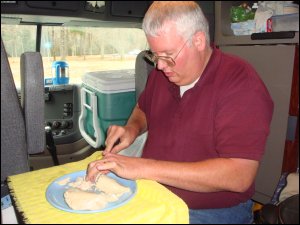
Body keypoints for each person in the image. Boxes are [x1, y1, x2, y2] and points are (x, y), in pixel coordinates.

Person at [86, 1, 274, 224]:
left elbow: (239, 175)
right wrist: (132, 129)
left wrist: (143, 168)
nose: (159, 66)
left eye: (167, 54)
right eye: (154, 55)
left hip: (212, 212)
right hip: (153, 193)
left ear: (198, 41)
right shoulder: (163, 73)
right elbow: (143, 108)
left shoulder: (240, 83)